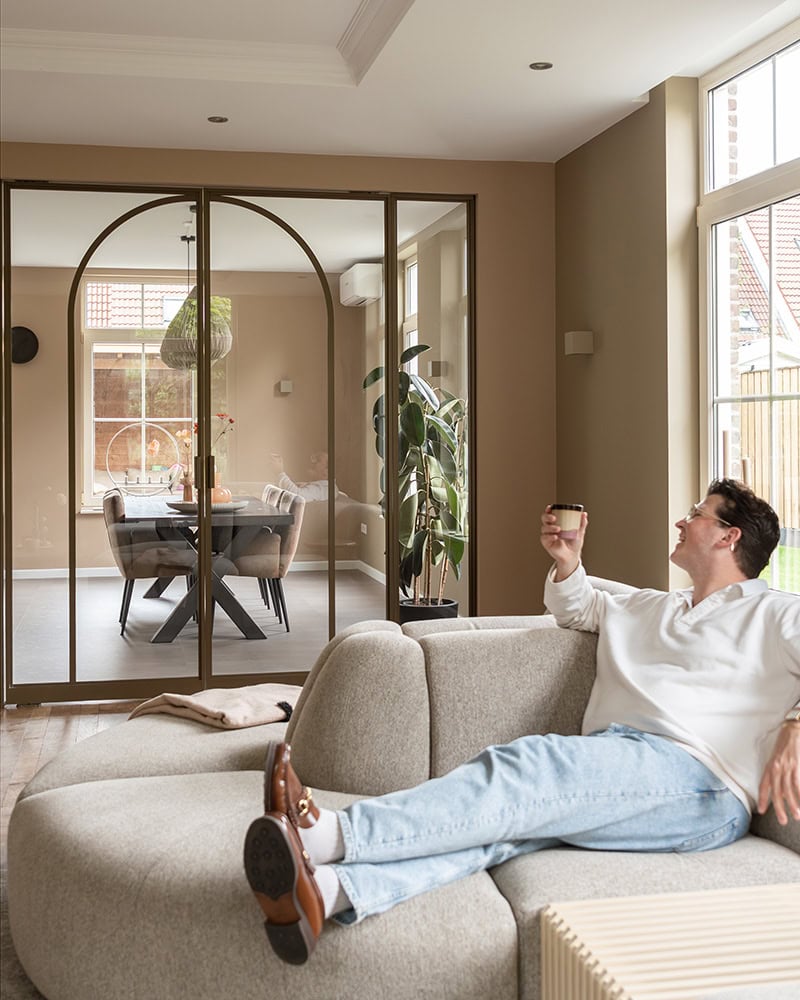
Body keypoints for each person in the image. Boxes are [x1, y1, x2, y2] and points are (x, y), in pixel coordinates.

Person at [242, 478, 800, 965]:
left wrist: (794, 727)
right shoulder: (656, 606)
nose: (683, 520)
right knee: (507, 832)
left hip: (701, 783)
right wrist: (567, 561)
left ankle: (329, 834)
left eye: (698, 514)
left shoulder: (774, 612)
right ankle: (333, 891)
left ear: (730, 537)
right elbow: (579, 606)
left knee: (527, 766)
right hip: (626, 766)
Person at [270, 451, 338, 502]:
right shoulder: (326, 488)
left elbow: (297, 497)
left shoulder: (325, 489)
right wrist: (307, 484)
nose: (312, 461)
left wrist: (279, 472)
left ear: (327, 472)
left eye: (318, 460)